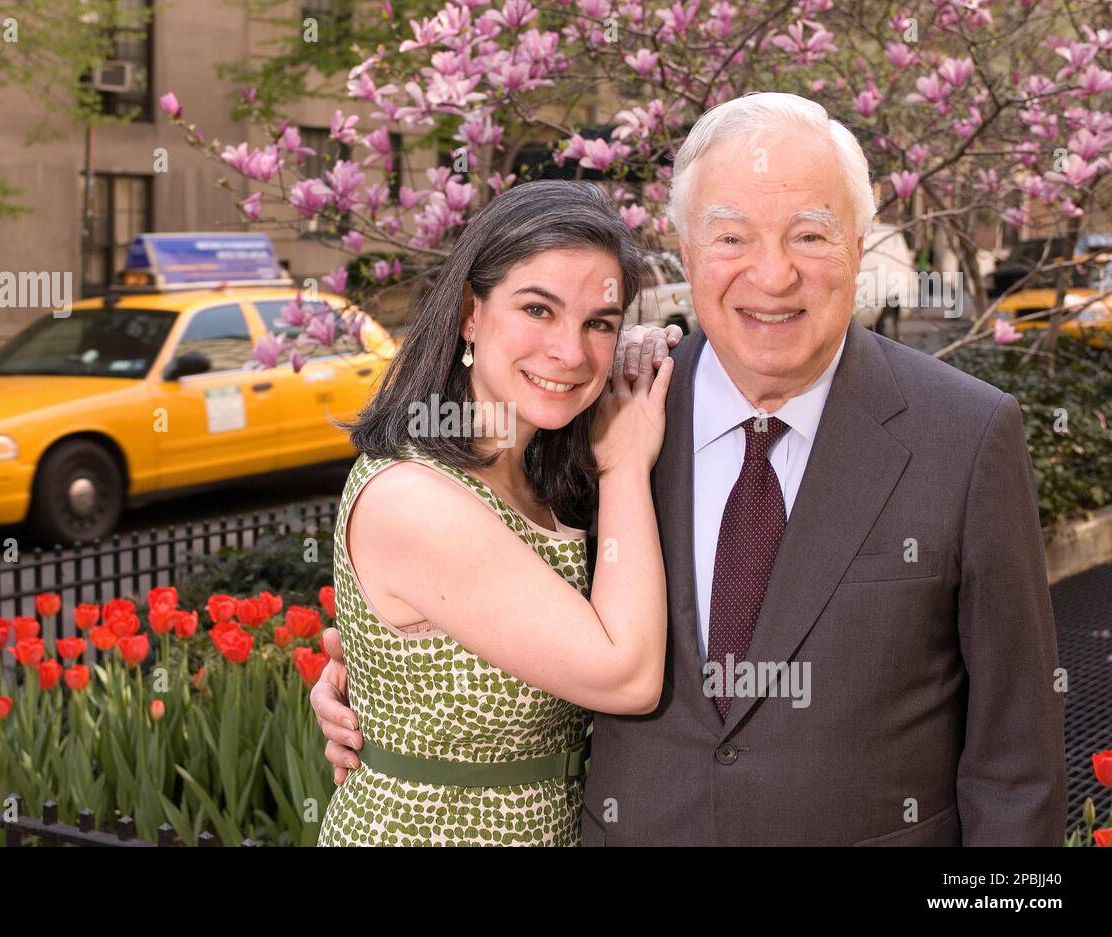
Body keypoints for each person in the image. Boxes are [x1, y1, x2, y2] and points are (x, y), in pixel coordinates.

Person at [315, 92, 1067, 846]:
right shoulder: (591, 418)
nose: (772, 277)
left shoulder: (966, 435)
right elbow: (462, 591)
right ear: (683, 246)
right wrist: (371, 695)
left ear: (860, 242)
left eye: (809, 234)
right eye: (731, 236)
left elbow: (1016, 760)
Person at [316, 179, 680, 846]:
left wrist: (643, 349)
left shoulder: (538, 470)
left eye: (599, 322)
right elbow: (626, 676)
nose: (570, 351)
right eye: (538, 310)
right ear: (469, 313)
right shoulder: (414, 496)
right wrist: (625, 464)